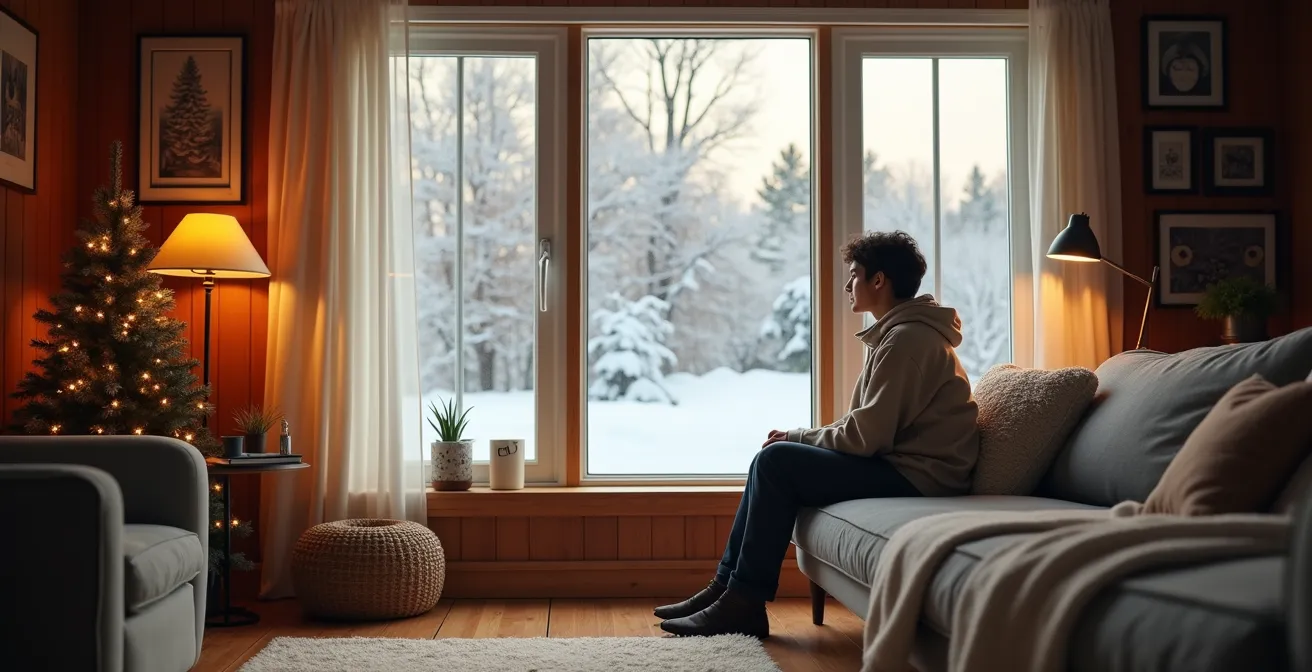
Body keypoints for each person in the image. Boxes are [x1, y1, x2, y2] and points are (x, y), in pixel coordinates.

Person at [655, 230, 980, 638]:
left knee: (776, 461)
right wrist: (797, 436)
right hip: (902, 465)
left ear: (879, 280)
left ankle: (743, 601)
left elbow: (865, 437)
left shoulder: (907, 341)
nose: (847, 285)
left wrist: (797, 438)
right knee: (770, 459)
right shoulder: (899, 335)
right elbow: (868, 426)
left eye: (854, 275)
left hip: (920, 478)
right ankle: (727, 590)